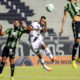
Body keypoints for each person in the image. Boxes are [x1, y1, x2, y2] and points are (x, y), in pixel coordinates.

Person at [61, 0, 80, 69]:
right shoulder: (68, 4)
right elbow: (65, 16)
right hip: (76, 23)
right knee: (77, 40)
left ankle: (79, 58)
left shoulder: (78, 3)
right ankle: (73, 60)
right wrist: (62, 26)